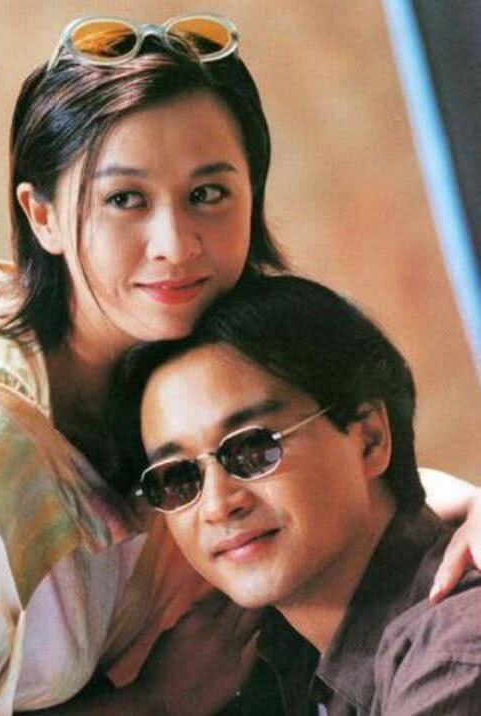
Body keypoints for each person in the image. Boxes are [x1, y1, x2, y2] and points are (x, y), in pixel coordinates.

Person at [0, 14, 478, 716]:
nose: (177, 245)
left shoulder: (202, 346)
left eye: (208, 194)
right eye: (125, 200)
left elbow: (332, 477)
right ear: (42, 216)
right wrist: (152, 705)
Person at [115, 274, 481, 713]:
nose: (217, 505)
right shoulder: (275, 650)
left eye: (253, 450)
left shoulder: (453, 660)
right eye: (177, 478)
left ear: (370, 440)